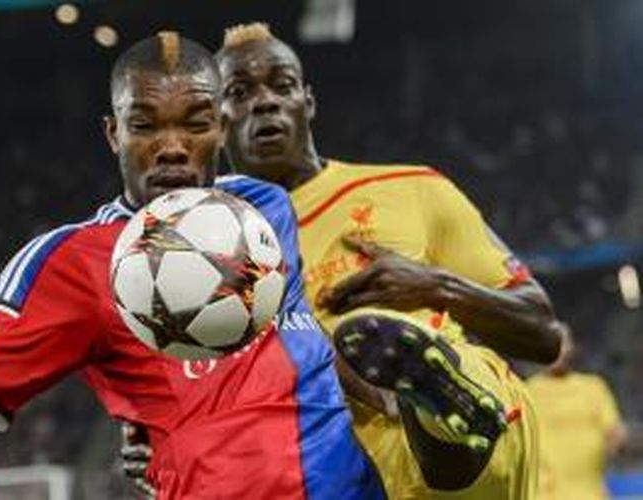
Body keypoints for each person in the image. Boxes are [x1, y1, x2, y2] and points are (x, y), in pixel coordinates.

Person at [0, 32, 388, 499]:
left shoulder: (266, 207)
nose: (171, 146)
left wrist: (394, 398)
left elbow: (302, 343)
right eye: (145, 125)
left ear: (220, 126)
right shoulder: (72, 263)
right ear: (114, 133)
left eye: (194, 122)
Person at [214, 22, 563, 499]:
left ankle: (434, 402)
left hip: (480, 464)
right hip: (347, 480)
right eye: (239, 91)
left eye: (283, 85)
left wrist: (434, 286)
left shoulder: (412, 189)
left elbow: (542, 332)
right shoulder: (216, 258)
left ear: (307, 102)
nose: (265, 101)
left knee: (431, 368)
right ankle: (425, 395)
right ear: (215, 122)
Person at [528, 323, 627, 500]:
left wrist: (616, 440)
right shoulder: (527, 391)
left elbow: (614, 430)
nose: (558, 349)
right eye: (551, 342)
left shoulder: (594, 387)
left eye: (562, 343)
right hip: (544, 495)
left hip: (590, 494)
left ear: (573, 348)